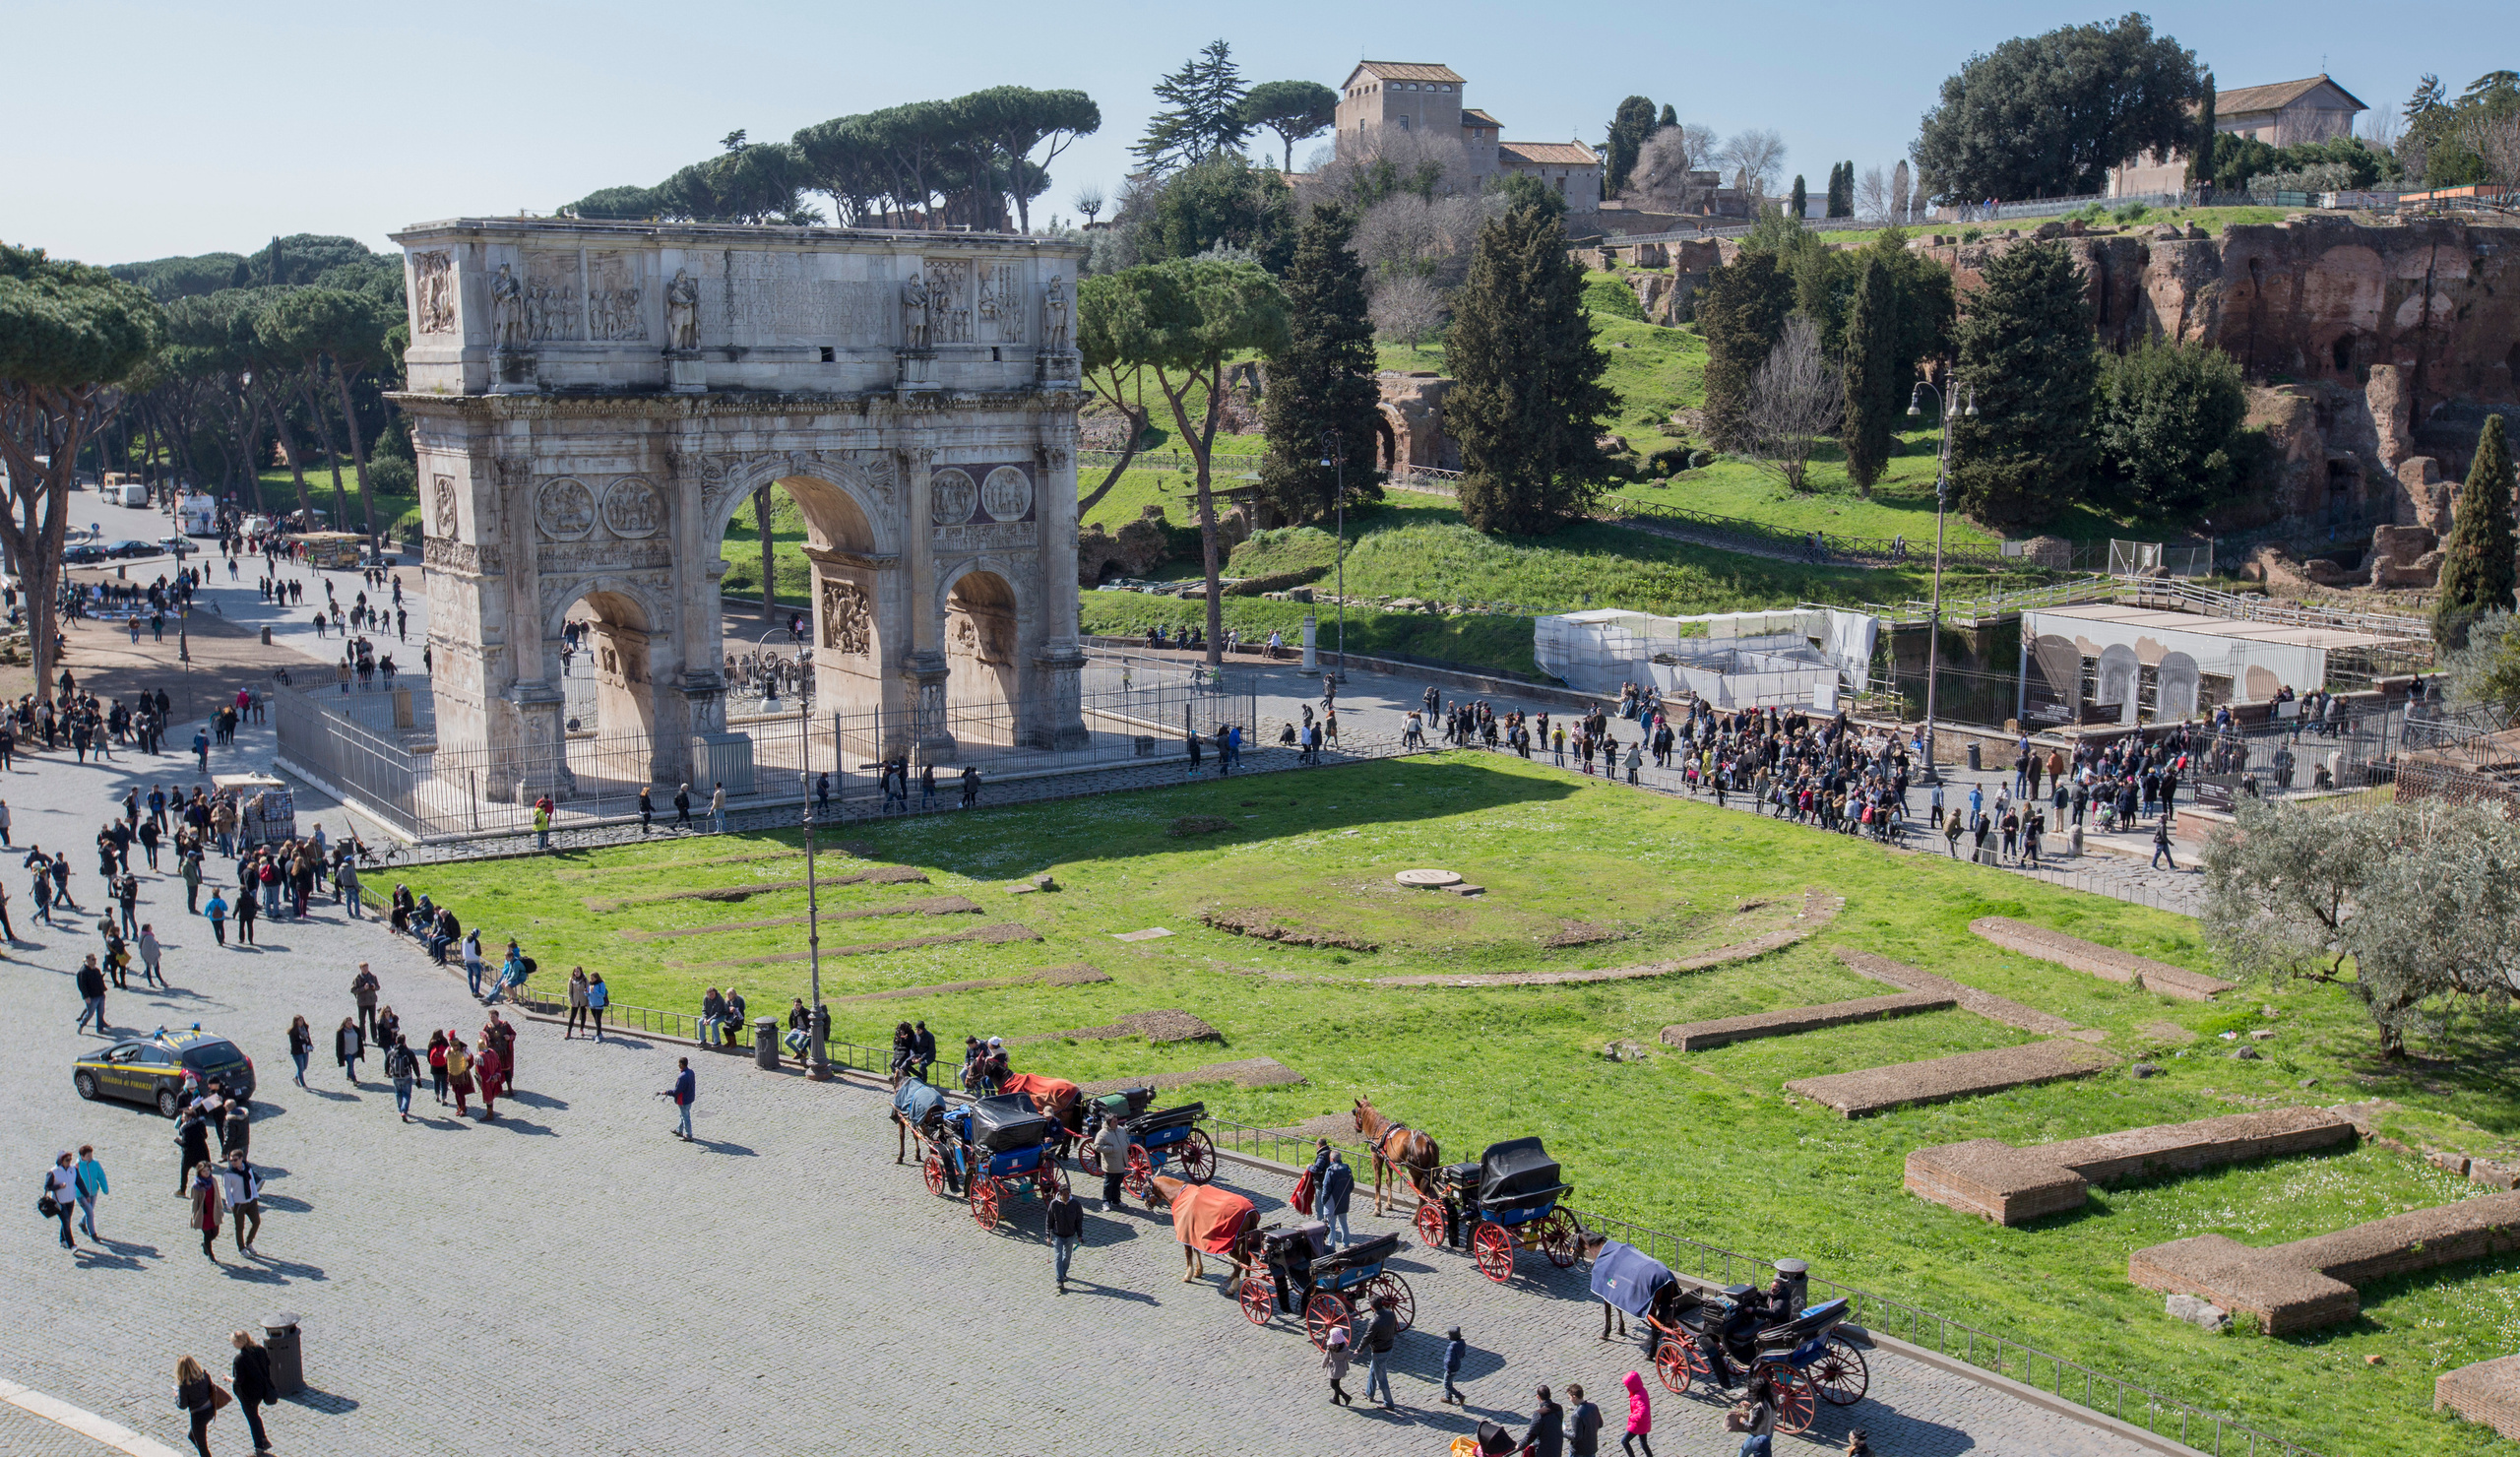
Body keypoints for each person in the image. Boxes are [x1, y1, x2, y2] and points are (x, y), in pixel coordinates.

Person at [229, 1329, 276, 1453]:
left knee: (252, 1419)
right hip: (262, 1389)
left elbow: (239, 1380)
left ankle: (259, 1446)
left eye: (234, 1342)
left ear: (239, 1343)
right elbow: (268, 1363)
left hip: (249, 1395)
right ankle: (263, 1439)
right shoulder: (260, 1349)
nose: (233, 1344)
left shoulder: (239, 1359)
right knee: (255, 1415)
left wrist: (229, 1379)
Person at [218, 1149, 263, 1254]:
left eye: (235, 1160)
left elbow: (252, 1183)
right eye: (231, 1160)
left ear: (241, 1159)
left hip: (251, 1201)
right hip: (239, 1204)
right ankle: (241, 1248)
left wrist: (255, 1196)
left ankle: (249, 1242)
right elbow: (227, 1190)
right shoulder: (228, 1174)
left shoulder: (247, 1168)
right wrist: (231, 1204)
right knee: (240, 1227)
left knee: (256, 1222)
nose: (233, 1162)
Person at [174, 1354, 221, 1457]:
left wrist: (176, 1396)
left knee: (202, 1447)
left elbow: (183, 1405)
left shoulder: (184, 1386)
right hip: (209, 1410)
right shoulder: (204, 1376)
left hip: (198, 1416)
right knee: (192, 1436)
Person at [1361, 1293, 1400, 1409]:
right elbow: (1394, 1330)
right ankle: (1369, 1392)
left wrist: (1359, 1349)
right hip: (1389, 1347)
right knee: (1373, 1369)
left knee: (1381, 1378)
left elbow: (1367, 1337)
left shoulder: (1374, 1321)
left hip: (1379, 1351)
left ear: (1372, 1307)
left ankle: (1388, 1402)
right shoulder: (1391, 1314)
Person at [1093, 1099, 1129, 1211]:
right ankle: (1106, 1202)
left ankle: (1116, 1200)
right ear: (1109, 1122)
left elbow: (1126, 1140)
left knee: (1118, 1183)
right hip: (1111, 1164)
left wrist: (1126, 1145)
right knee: (1108, 1184)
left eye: (1117, 1121)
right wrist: (1111, 1149)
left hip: (1121, 1162)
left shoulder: (1121, 1130)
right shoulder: (1102, 1134)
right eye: (1114, 1121)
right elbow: (1097, 1146)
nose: (1116, 1123)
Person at [1046, 1184, 1084, 1293]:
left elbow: (1079, 1221)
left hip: (1070, 1235)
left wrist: (1080, 1235)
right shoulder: (1054, 1204)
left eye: (1068, 1194)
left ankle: (1063, 1272)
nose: (1067, 1196)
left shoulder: (1075, 1204)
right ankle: (1060, 1280)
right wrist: (1048, 1236)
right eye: (1064, 1194)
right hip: (1058, 1235)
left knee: (1067, 1256)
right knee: (1058, 1256)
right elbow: (1049, 1221)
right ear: (1060, 1194)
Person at [42, 1151, 78, 1250]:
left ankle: (63, 1241)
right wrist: (59, 1186)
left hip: (70, 1200)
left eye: (70, 1159)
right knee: (66, 1222)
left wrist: (86, 1194)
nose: (69, 1162)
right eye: (67, 1160)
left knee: (67, 1221)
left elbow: (78, 1182)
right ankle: (72, 1245)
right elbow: (47, 1187)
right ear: (61, 1161)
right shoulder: (53, 1172)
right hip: (59, 1202)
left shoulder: (73, 1169)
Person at [189, 1158, 223, 1260]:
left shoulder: (213, 1181)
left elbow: (217, 1195)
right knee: (207, 1234)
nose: (206, 1172)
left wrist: (221, 1208)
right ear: (200, 1172)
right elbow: (194, 1202)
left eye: (208, 1170)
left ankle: (205, 1245)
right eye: (204, 1171)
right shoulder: (196, 1186)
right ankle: (210, 1255)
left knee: (215, 1232)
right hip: (204, 1213)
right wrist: (194, 1216)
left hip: (213, 1210)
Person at [1319, 1150, 1354, 1248]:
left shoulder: (1330, 1171)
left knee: (1330, 1225)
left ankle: (1331, 1245)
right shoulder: (1347, 1169)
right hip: (1344, 1200)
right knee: (1343, 1223)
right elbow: (1351, 1186)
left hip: (1331, 1202)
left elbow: (1326, 1187)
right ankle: (1346, 1243)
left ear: (1332, 1159)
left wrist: (1324, 1200)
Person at [74, 1144, 107, 1243]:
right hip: (81, 1195)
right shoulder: (76, 1167)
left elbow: (101, 1175)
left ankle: (82, 1223)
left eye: (91, 1155)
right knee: (90, 1213)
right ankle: (93, 1234)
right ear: (82, 1156)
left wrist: (105, 1188)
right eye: (88, 1156)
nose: (90, 1157)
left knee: (90, 1210)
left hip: (93, 1192)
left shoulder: (95, 1163)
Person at [1619, 1369, 1654, 1457]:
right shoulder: (1642, 1390)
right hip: (1644, 1423)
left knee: (1624, 1441)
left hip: (1638, 1424)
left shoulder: (1637, 1397)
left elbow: (1643, 1412)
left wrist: (1632, 1417)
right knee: (1644, 1444)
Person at [1524, 1385, 1565, 1457]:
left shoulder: (1539, 1414)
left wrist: (1519, 1446)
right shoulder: (1558, 1408)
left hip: (1543, 1451)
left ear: (1538, 1397)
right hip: (1556, 1449)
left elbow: (1531, 1435)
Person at [386, 1035, 419, 1121]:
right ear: (404, 1042)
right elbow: (415, 1064)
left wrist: (386, 1071)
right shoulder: (408, 1052)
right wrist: (418, 1076)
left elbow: (386, 1061)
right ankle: (404, 1110)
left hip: (395, 1076)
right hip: (406, 1076)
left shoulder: (391, 1052)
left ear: (396, 1042)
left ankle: (400, 1108)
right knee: (406, 1094)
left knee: (398, 1092)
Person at [75, 953, 107, 1034]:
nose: (95, 961)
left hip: (100, 995)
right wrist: (86, 997)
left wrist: (103, 990)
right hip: (92, 997)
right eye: (93, 959)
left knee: (101, 1013)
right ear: (88, 960)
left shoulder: (96, 970)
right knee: (89, 1014)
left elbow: (100, 981)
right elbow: (82, 986)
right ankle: (81, 1025)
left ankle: (100, 1029)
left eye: (95, 959)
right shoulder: (83, 972)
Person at [1321, 1324, 1353, 1406]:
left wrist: (1323, 1365)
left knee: (1333, 1385)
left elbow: (1326, 1357)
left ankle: (1346, 1397)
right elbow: (1349, 1357)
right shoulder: (1345, 1347)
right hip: (1342, 1367)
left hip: (1333, 1369)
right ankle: (1336, 1399)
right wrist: (1357, 1353)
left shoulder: (1330, 1347)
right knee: (1337, 1383)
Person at [1569, 1382, 1605, 1457]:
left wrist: (1564, 1431)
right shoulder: (1593, 1407)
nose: (1570, 1400)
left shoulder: (1576, 1415)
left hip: (1579, 1452)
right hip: (1591, 1449)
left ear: (1574, 1396)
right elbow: (1600, 1424)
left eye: (1570, 1397)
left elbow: (1575, 1436)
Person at [667, 1055, 696, 1139]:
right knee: (683, 1114)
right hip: (690, 1097)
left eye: (679, 1063)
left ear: (682, 1064)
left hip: (683, 1099)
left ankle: (688, 1135)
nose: (678, 1065)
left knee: (685, 1117)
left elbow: (677, 1091)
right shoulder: (691, 1072)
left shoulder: (682, 1077)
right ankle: (679, 1130)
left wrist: (667, 1092)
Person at [350, 963, 380, 1043]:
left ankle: (374, 1037)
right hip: (362, 1003)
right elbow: (353, 990)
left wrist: (374, 987)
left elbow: (378, 987)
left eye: (366, 967)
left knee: (372, 1020)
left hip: (371, 1002)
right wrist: (363, 988)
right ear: (360, 968)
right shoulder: (357, 978)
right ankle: (362, 1038)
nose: (366, 969)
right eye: (364, 968)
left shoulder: (373, 977)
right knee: (362, 1021)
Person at [1441, 1326, 1468, 1406]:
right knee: (1450, 1382)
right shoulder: (1461, 1343)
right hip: (1457, 1365)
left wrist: (1446, 1363)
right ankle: (1448, 1398)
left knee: (1447, 1385)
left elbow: (1449, 1360)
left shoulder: (1451, 1347)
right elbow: (1462, 1355)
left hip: (1451, 1368)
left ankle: (1459, 1396)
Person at [335, 1016, 364, 1083]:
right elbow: (339, 1045)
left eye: (351, 1023)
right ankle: (354, 1079)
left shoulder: (356, 1029)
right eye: (348, 1023)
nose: (350, 1025)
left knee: (351, 1064)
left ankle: (348, 1076)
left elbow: (359, 1040)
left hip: (354, 1051)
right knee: (351, 1065)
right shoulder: (341, 1032)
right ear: (345, 1024)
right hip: (347, 1052)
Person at [286, 1015, 312, 1088]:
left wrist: (310, 1044)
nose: (302, 1022)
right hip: (297, 1052)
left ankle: (296, 1078)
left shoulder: (305, 1028)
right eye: (300, 1020)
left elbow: (308, 1037)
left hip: (305, 1050)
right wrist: (303, 1041)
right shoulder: (292, 1031)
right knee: (300, 1068)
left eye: (302, 1020)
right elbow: (294, 1043)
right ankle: (304, 1085)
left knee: (304, 1067)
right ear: (296, 1022)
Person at [565, 968, 590, 1039]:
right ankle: (568, 1032)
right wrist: (571, 1001)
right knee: (572, 1016)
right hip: (575, 1000)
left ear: (581, 972)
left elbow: (588, 990)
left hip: (583, 1000)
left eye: (578, 971)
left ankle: (581, 1029)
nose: (576, 973)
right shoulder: (572, 980)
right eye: (575, 971)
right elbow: (569, 992)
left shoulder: (584, 979)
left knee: (583, 1015)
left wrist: (588, 1002)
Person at [587, 972, 608, 1040]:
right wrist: (586, 993)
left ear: (596, 978)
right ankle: (600, 1033)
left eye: (592, 978)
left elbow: (602, 994)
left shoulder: (601, 984)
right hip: (592, 1004)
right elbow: (588, 994)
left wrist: (594, 992)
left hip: (599, 1004)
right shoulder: (590, 984)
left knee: (598, 1019)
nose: (591, 980)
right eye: (590, 978)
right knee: (595, 1020)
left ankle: (597, 1035)